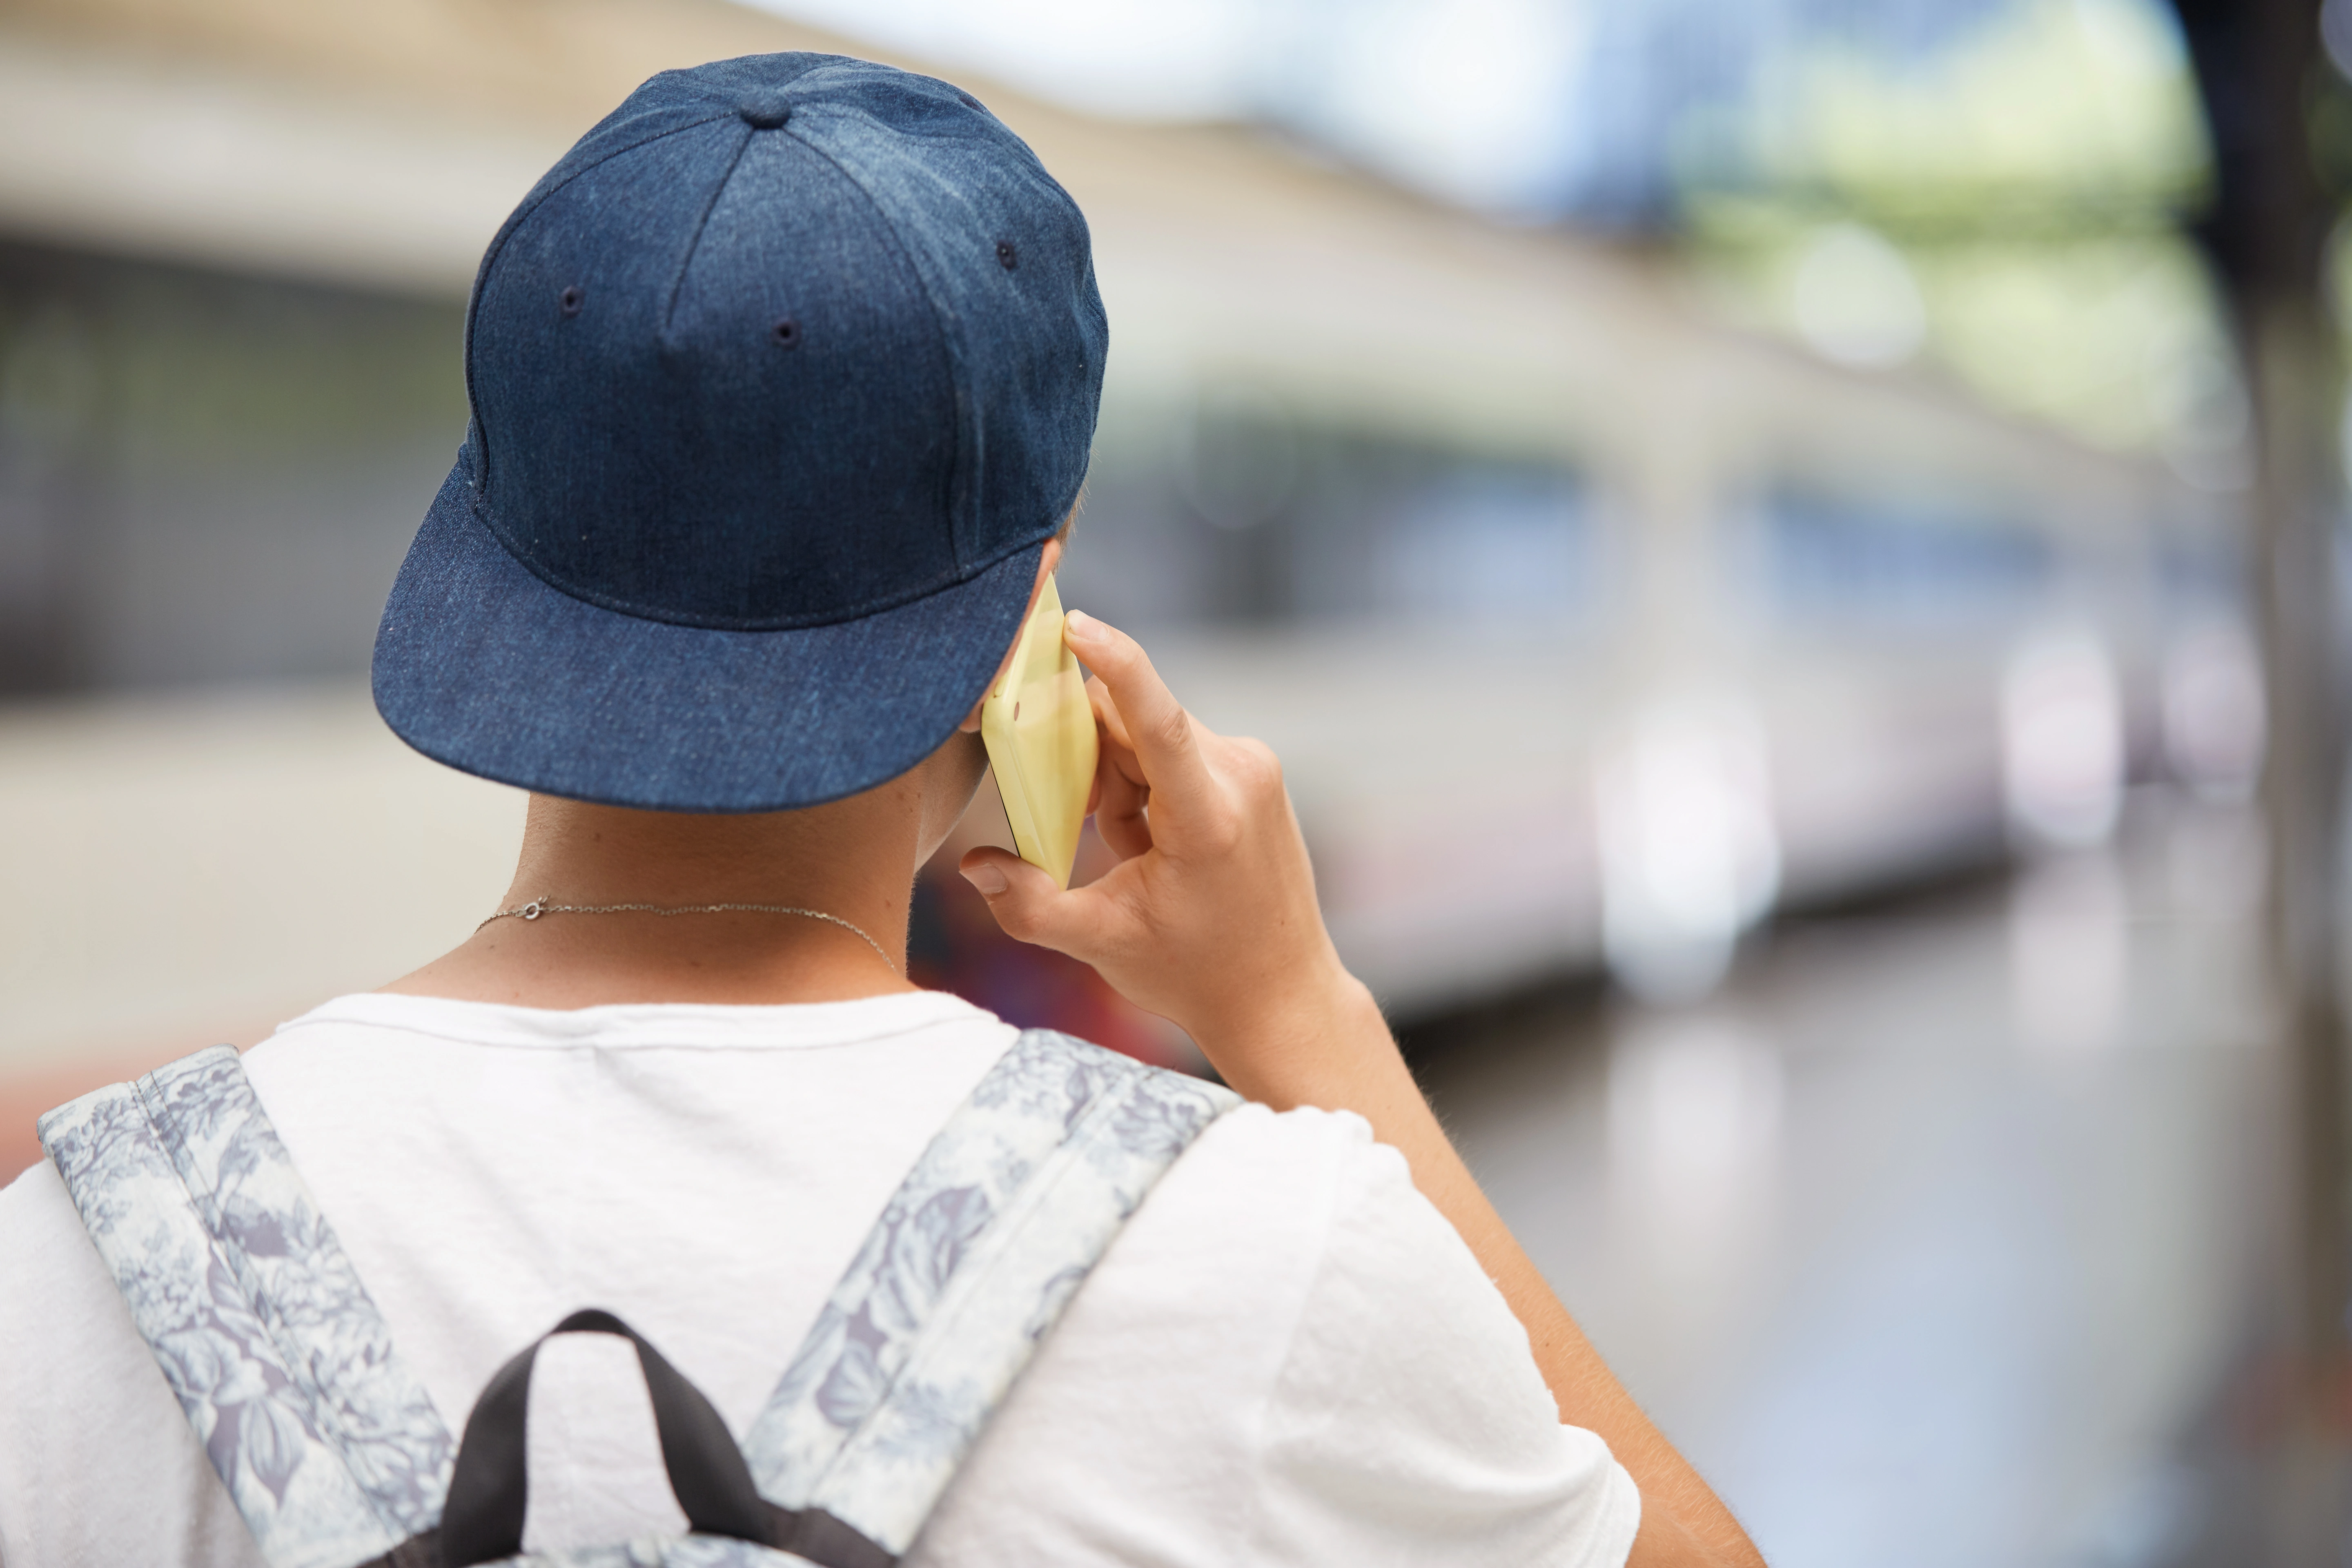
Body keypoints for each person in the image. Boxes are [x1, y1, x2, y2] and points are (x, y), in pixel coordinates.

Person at [0, 53, 1762, 1568]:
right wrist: (1301, 1014)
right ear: (1037, 621)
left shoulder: (67, 1274)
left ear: (482, 550)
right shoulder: (1262, 1258)